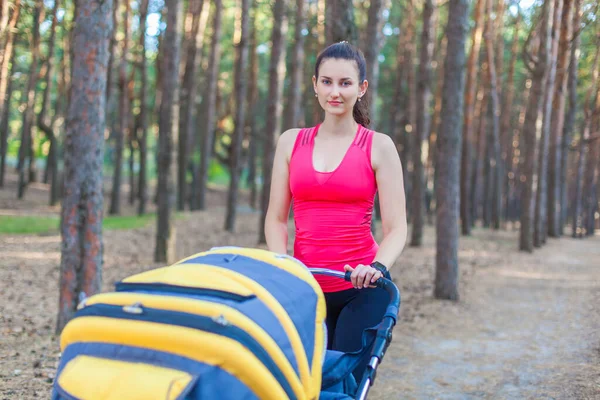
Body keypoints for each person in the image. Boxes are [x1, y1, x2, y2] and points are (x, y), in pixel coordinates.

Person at [264, 41, 407, 381]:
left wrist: (375, 268)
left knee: (341, 382)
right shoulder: (290, 142)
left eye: (345, 83)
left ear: (361, 88)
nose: (335, 92)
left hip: (362, 290)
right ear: (315, 84)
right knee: (301, 382)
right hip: (306, 290)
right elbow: (275, 219)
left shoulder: (379, 146)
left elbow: (397, 227)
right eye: (327, 82)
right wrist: (282, 265)